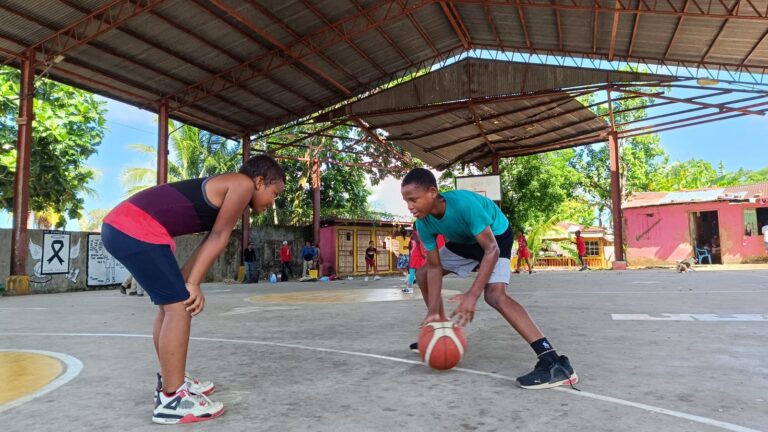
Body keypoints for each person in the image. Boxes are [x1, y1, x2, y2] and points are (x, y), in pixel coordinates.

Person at [101, 154, 285, 424]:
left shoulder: (232, 187)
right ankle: (173, 397)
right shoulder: (242, 184)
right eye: (275, 193)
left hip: (123, 227)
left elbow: (212, 238)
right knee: (178, 308)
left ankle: (172, 377)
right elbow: (220, 236)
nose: (273, 202)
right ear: (259, 181)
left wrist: (189, 279)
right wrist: (193, 284)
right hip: (135, 228)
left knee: (173, 305)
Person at [400, 168, 578, 390]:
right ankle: (441, 328)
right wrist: (434, 311)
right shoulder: (423, 223)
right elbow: (435, 267)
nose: (409, 206)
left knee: (494, 295)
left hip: (495, 237)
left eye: (413, 199)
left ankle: (553, 361)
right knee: (424, 273)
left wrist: (471, 296)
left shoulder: (464, 205)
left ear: (432, 193)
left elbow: (491, 249)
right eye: (406, 201)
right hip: (464, 241)